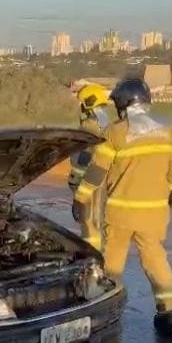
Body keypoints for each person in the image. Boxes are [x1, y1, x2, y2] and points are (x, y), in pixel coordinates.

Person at [73, 78, 172, 335]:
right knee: (156, 259)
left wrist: (80, 198)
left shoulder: (115, 132)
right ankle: (169, 308)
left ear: (123, 104)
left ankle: (105, 311)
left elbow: (96, 171)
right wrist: (168, 195)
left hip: (122, 212)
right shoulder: (170, 132)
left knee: (112, 264)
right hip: (155, 213)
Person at [68, 83, 110, 250]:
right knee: (100, 222)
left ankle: (92, 258)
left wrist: (74, 179)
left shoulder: (89, 127)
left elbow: (83, 156)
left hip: (90, 181)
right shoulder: (108, 125)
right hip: (105, 179)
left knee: (89, 223)